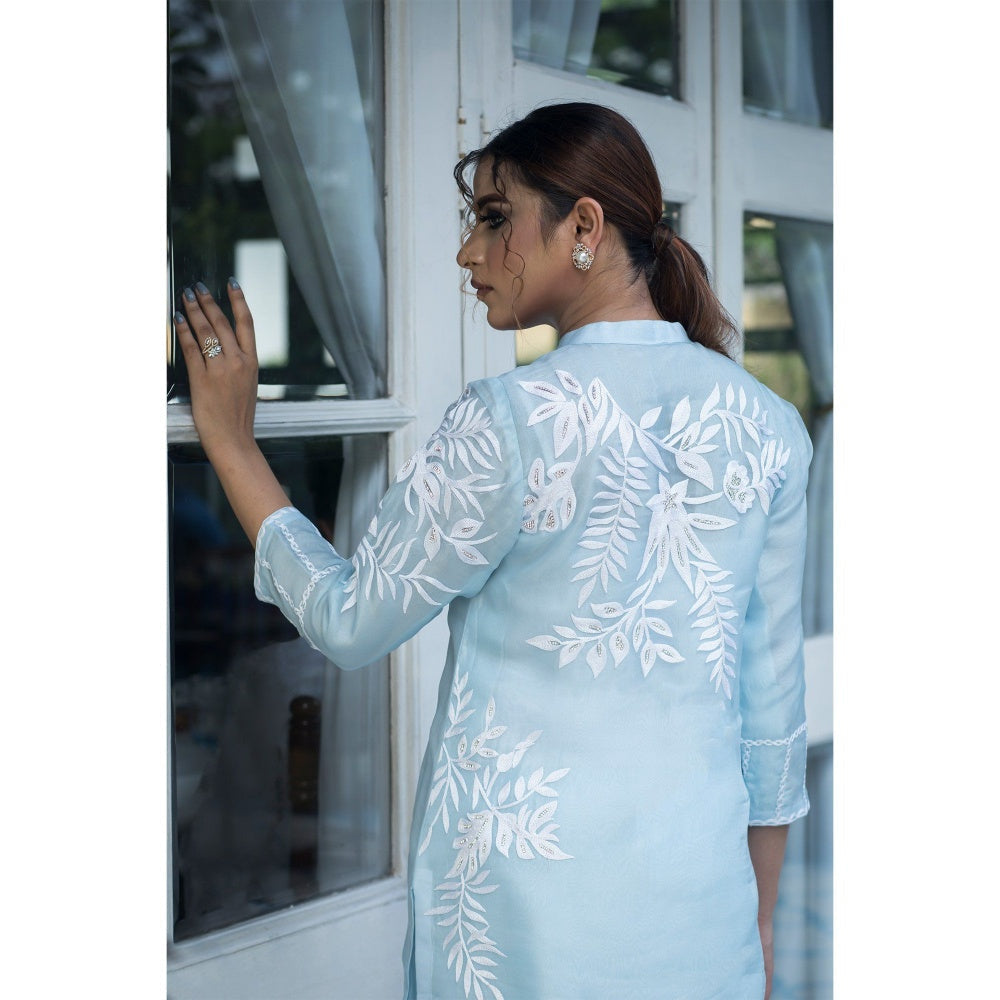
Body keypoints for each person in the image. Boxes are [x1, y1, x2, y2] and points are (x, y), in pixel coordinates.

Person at [174, 102, 812, 1000]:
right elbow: (772, 721)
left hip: (526, 925)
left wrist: (234, 448)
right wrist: (759, 925)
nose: (467, 253)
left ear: (583, 226)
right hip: (703, 918)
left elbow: (350, 621)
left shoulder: (509, 424)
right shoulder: (771, 429)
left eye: (492, 218)